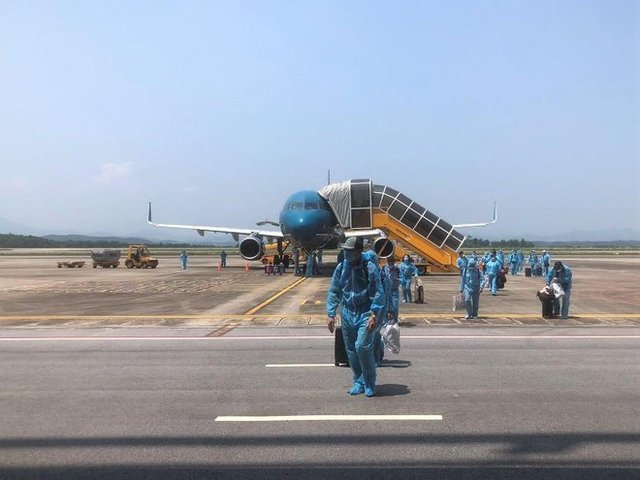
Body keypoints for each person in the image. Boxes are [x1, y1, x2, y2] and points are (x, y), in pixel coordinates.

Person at [327, 237, 385, 397]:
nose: (346, 253)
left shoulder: (369, 268)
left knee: (362, 346)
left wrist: (374, 314)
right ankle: (358, 380)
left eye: (350, 251)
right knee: (351, 350)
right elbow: (334, 290)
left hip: (365, 311)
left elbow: (378, 292)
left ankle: (369, 381)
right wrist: (331, 314)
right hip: (347, 312)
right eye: (345, 250)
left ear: (358, 251)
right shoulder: (341, 267)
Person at [382, 257, 401, 323]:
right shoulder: (384, 269)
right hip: (386, 290)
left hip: (394, 290)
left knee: (395, 306)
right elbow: (380, 278)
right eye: (389, 262)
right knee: (386, 306)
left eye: (392, 262)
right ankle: (386, 321)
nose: (391, 264)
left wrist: (398, 279)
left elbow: (401, 278)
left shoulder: (397, 269)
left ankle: (395, 320)